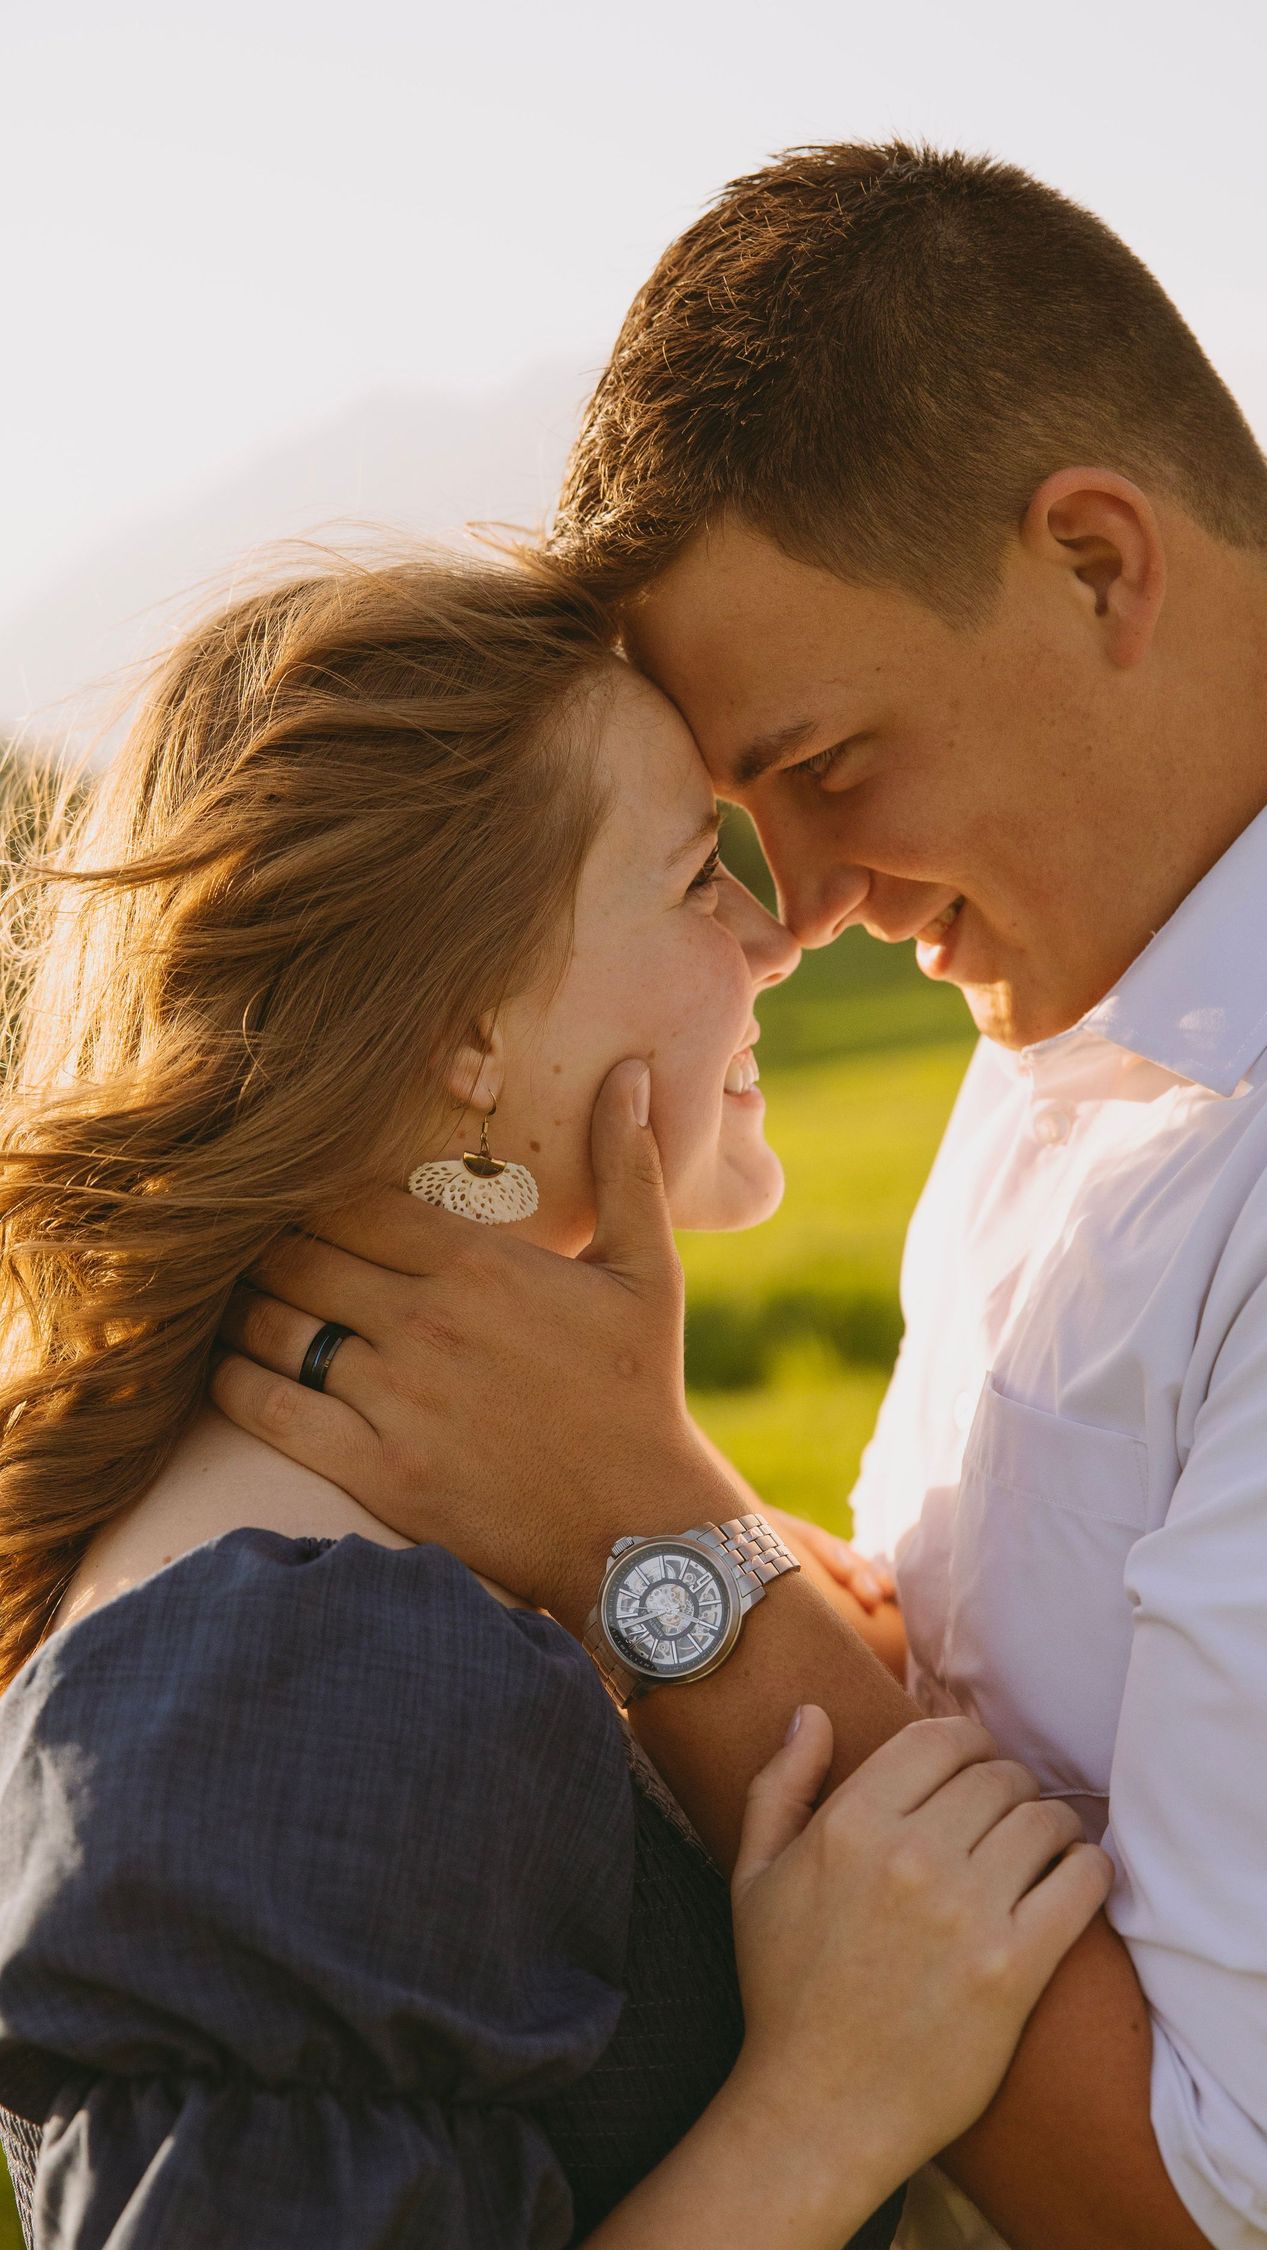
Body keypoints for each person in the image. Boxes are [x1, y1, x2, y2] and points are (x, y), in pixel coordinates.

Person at [220, 146, 1267, 2249]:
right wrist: (793, 1599)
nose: (801, 903)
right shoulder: (1093, 1001)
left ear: (1097, 563)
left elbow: (1259, 2208)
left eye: (824, 765)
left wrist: (653, 1541)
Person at [0, 552, 1111, 2249]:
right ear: (467, 1029)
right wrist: (831, 2101)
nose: (777, 930)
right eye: (689, 878)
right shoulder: (314, 1665)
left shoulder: (383, 1572)